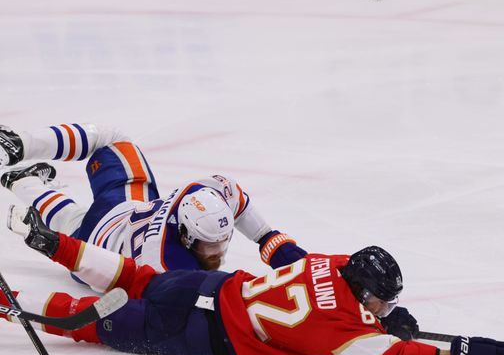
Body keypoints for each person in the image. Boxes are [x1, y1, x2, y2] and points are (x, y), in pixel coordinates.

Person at [2, 207, 504, 355]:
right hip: (195, 330)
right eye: (379, 300)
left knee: (132, 277)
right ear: (362, 291)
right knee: (84, 319)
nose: (382, 308)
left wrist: (382, 317)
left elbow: (310, 276)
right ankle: (6, 301)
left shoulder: (332, 262)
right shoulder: (336, 329)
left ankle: (57, 246)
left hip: (202, 285)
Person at [0, 123, 305, 273]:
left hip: (119, 215)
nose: (216, 251)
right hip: (101, 251)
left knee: (110, 143)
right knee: (74, 224)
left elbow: (233, 196)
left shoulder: (196, 196)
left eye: (221, 241)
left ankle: (18, 147)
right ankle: (20, 177)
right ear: (184, 235)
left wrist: (268, 238)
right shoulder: (171, 265)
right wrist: (280, 251)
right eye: (208, 243)